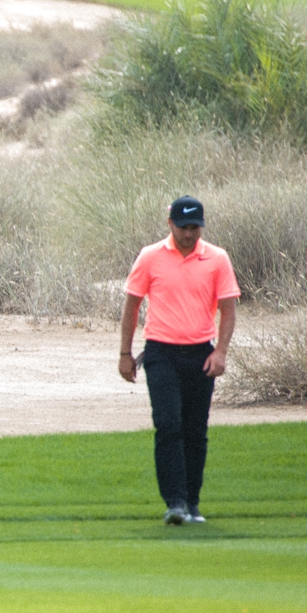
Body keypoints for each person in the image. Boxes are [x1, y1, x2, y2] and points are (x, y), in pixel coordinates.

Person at [118, 196, 239, 524]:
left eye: (195, 227)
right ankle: (174, 502)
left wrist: (221, 351)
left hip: (201, 353)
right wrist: (125, 354)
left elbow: (228, 309)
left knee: (195, 430)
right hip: (161, 352)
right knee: (168, 424)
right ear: (170, 223)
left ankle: (192, 502)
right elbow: (131, 305)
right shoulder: (150, 256)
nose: (189, 234)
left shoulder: (216, 259)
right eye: (184, 227)